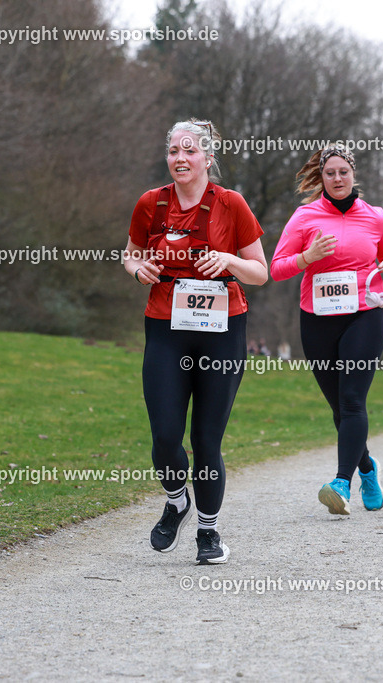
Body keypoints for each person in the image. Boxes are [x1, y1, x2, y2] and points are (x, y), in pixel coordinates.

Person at [122, 118, 267, 564]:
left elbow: (260, 272)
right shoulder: (151, 203)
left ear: (207, 157)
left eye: (190, 150)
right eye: (173, 150)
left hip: (222, 330)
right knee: (165, 436)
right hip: (165, 327)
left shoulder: (231, 204)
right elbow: (131, 254)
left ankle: (208, 531)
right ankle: (176, 500)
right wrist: (138, 270)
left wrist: (228, 260)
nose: (180, 158)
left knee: (206, 440)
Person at [271, 144, 383, 515]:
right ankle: (368, 469)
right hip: (318, 318)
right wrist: (307, 257)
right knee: (339, 408)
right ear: (322, 177)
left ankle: (341, 483)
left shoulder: (375, 217)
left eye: (343, 172)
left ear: (353, 174)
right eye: (330, 173)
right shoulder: (304, 216)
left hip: (364, 314)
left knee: (353, 400)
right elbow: (276, 268)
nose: (337, 178)